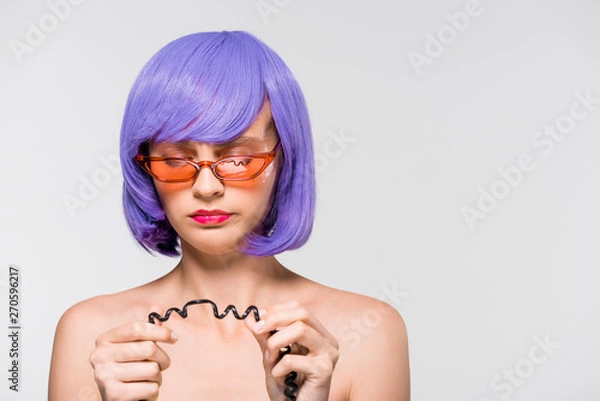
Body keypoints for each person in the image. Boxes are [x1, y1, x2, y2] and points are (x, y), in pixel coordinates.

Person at [48, 30, 410, 401]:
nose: (206, 187)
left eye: (237, 159)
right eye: (175, 159)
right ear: (145, 168)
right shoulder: (90, 337)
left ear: (284, 161)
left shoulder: (369, 333)